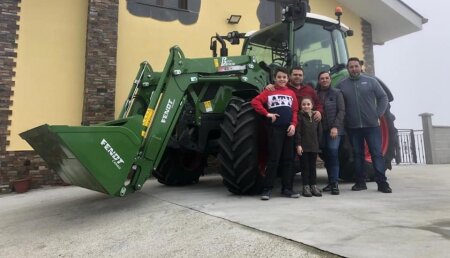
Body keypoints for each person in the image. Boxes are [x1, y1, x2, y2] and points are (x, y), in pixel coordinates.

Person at [336, 57, 392, 193]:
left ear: (360, 67)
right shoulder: (342, 85)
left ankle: (382, 183)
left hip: (372, 126)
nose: (354, 69)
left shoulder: (371, 81)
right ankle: (360, 182)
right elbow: (333, 98)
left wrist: (378, 114)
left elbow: (383, 97)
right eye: (351, 67)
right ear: (347, 68)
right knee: (358, 154)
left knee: (376, 154)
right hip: (354, 127)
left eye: (356, 66)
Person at [251, 67, 300, 200]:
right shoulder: (269, 91)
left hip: (288, 130)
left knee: (288, 160)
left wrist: (293, 125)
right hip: (275, 129)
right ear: (275, 78)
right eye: (279, 77)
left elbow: (295, 110)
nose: (282, 79)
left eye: (284, 77)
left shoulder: (291, 93)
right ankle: (267, 189)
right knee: (274, 159)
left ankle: (287, 189)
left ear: (287, 79)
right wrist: (267, 114)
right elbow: (255, 102)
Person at [316, 71, 345, 195]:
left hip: (334, 130)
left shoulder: (337, 93)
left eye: (326, 78)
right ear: (319, 81)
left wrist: (335, 127)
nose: (324, 80)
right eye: (322, 78)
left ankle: (334, 184)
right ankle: (331, 181)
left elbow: (342, 111)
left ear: (330, 79)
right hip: (322, 130)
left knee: (333, 153)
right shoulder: (316, 94)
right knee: (327, 155)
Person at [295, 96, 322, 197]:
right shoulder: (300, 117)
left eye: (308, 104)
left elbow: (320, 132)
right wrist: (298, 145)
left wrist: (318, 144)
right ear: (301, 106)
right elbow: (298, 132)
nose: (306, 106)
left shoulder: (316, 117)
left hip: (314, 147)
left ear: (312, 105)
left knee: (313, 167)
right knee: (305, 168)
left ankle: (313, 186)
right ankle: (305, 186)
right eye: (304, 104)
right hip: (304, 147)